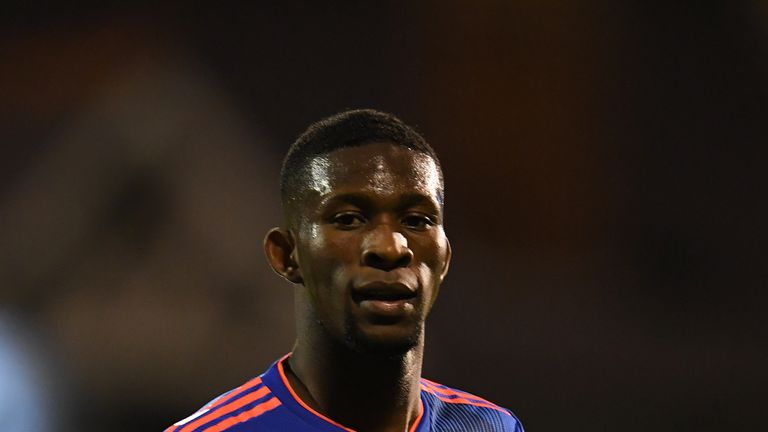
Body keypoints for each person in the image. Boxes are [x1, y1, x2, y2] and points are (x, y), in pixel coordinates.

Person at [166, 109, 524, 431]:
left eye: (417, 221)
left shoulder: (491, 427)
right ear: (287, 254)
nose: (391, 247)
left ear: (444, 257)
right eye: (349, 219)